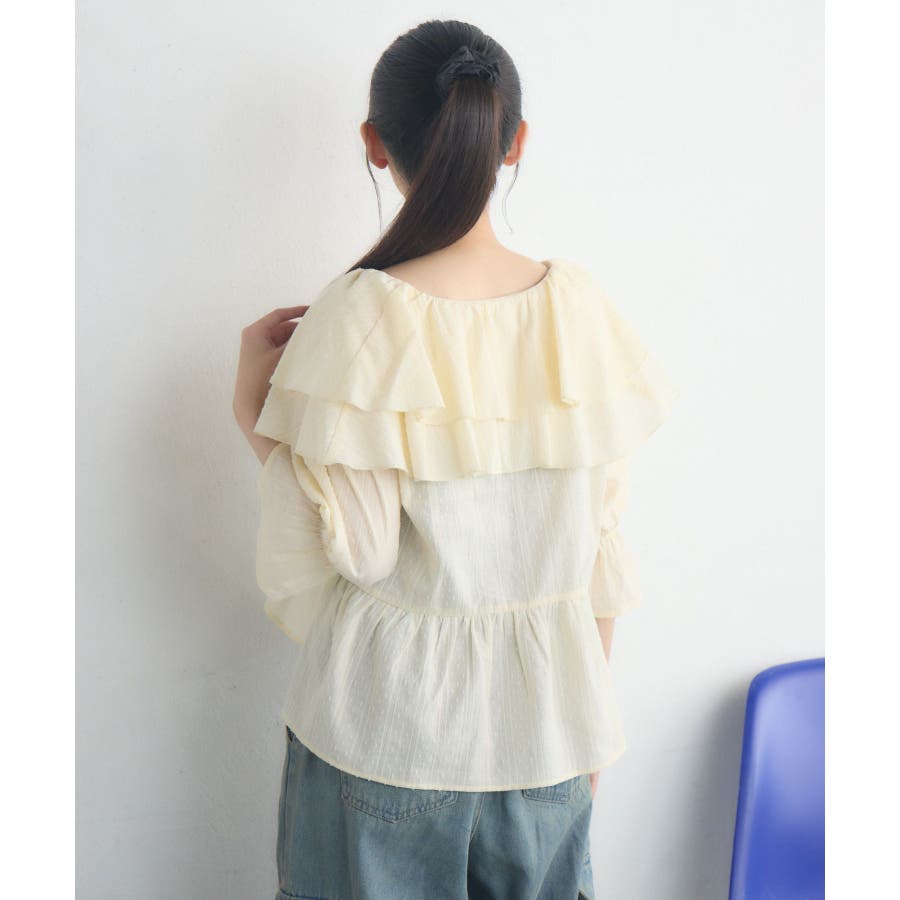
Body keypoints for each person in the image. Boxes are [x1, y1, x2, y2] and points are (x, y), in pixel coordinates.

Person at [232, 18, 679, 900]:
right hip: (549, 742)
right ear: (516, 141)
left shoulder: (360, 314)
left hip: (382, 743)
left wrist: (255, 412)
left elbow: (358, 551)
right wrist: (582, 742)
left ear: (374, 143)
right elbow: (598, 555)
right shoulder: (578, 309)